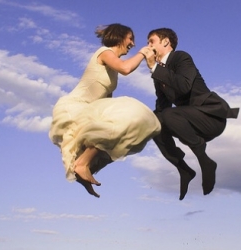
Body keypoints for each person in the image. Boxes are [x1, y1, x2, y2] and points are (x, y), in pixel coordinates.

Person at [49, 23, 160, 198]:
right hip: (75, 106)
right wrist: (143, 53)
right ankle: (82, 165)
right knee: (127, 117)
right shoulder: (104, 52)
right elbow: (126, 68)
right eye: (130, 38)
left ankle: (84, 175)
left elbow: (107, 101)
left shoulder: (112, 74)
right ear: (120, 36)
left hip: (89, 109)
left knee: (118, 132)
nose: (132, 44)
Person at [142, 28, 239, 200]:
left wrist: (154, 67)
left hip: (210, 117)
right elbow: (161, 107)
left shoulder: (181, 57)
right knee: (155, 122)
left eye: (152, 41)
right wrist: (145, 125)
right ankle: (183, 169)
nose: (148, 46)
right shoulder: (159, 74)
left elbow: (184, 86)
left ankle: (205, 161)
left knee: (169, 115)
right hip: (188, 122)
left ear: (165, 42)